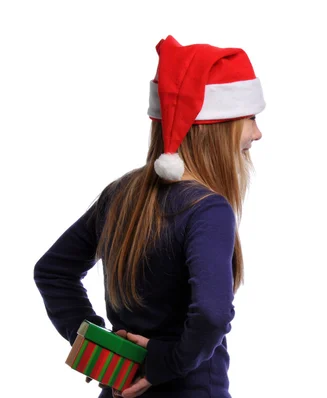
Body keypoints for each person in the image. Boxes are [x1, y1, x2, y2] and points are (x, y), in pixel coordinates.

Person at [34, 35, 265, 398]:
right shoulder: (208, 210)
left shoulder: (121, 193)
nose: (257, 132)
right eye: (250, 118)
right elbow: (211, 313)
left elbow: (53, 272)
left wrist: (100, 349)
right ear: (219, 128)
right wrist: (165, 364)